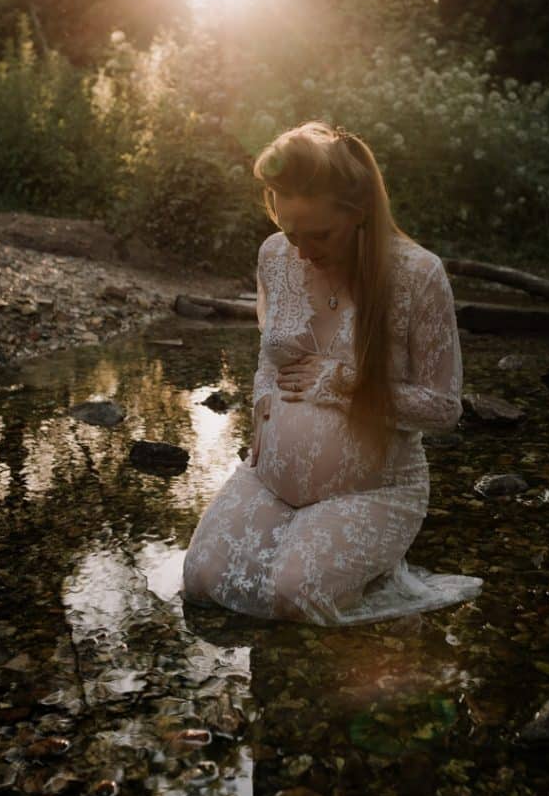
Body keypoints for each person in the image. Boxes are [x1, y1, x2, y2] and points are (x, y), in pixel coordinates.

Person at [182, 121, 482, 625]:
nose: (300, 250)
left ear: (360, 213)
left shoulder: (418, 274)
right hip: (271, 481)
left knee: (296, 595)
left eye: (318, 234)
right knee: (201, 582)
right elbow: (269, 355)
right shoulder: (274, 256)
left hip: (374, 488)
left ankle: (370, 570)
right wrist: (261, 406)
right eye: (288, 229)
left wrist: (341, 382)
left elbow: (443, 409)